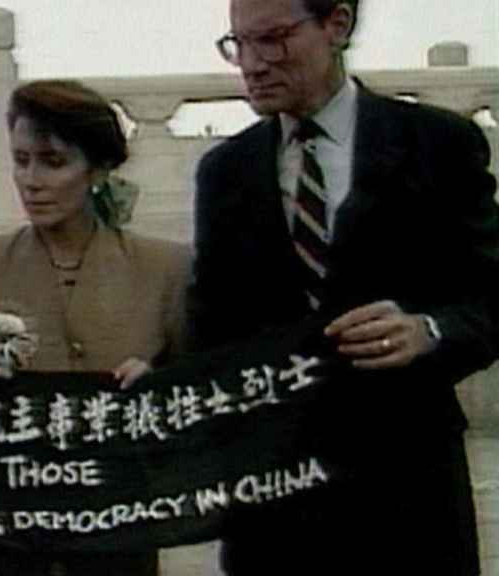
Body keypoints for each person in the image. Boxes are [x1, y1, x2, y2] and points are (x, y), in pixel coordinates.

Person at [189, 0, 499, 574]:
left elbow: (488, 297)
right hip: (276, 496)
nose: (252, 65)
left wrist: (429, 331)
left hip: (409, 479)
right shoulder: (224, 172)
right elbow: (212, 330)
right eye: (239, 44)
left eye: (274, 40)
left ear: (337, 25)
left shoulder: (439, 145)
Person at [0, 79, 190, 576]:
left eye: (53, 162)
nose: (30, 180)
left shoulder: (168, 270)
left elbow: (204, 399)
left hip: (116, 531)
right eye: (21, 159)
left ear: (97, 169)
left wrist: (160, 388)